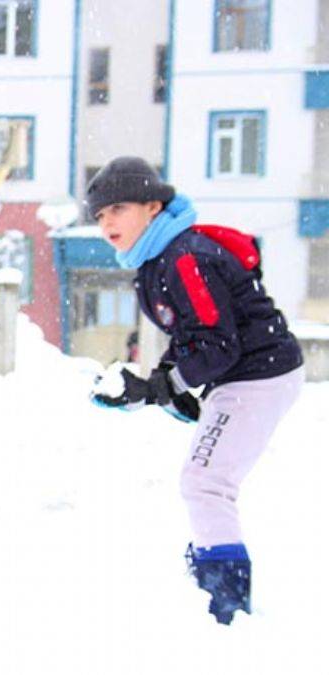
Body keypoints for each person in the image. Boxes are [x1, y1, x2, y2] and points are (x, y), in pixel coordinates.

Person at [88, 157, 304, 625]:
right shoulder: (157, 260)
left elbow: (217, 344)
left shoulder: (184, 257)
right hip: (245, 374)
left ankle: (225, 605)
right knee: (205, 481)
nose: (107, 222)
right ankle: (217, 582)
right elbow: (192, 336)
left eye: (118, 209)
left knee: (205, 483)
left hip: (258, 375)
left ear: (153, 206)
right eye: (100, 215)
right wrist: (161, 383)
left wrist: (162, 384)